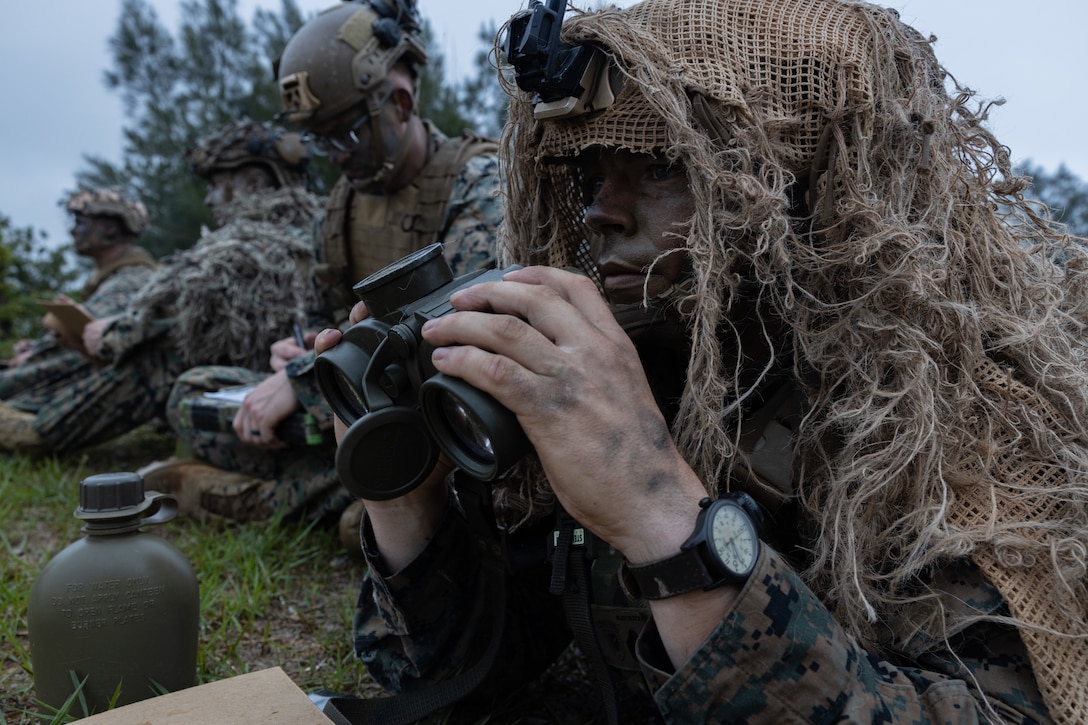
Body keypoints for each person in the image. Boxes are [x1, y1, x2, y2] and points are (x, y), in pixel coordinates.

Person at [313, 0, 1088, 722]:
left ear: (799, 191)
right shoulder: (643, 365)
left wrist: (667, 524)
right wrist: (409, 502)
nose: (598, 211)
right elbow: (453, 672)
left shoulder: (937, 420)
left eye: (659, 167)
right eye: (589, 176)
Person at [155, 0, 502, 526]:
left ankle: (330, 500)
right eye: (321, 140)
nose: (337, 155)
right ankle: (359, 495)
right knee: (193, 392)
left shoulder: (477, 185)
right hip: (355, 398)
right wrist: (303, 352)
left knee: (438, 448)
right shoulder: (343, 206)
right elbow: (330, 315)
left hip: (441, 402)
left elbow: (450, 331)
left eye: (345, 134)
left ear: (401, 104)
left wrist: (298, 383)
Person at [0, 120, 322, 455]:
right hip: (277, 379)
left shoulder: (254, 245)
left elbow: (182, 309)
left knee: (161, 353)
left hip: (279, 388)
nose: (209, 199)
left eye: (216, 185)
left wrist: (113, 333)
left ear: (255, 185)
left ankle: (41, 431)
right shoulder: (313, 231)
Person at [0, 186, 157, 451]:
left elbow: (86, 342)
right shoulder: (115, 278)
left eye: (82, 223)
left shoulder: (133, 280)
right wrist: (34, 349)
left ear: (110, 228)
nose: (74, 231)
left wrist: (30, 359)